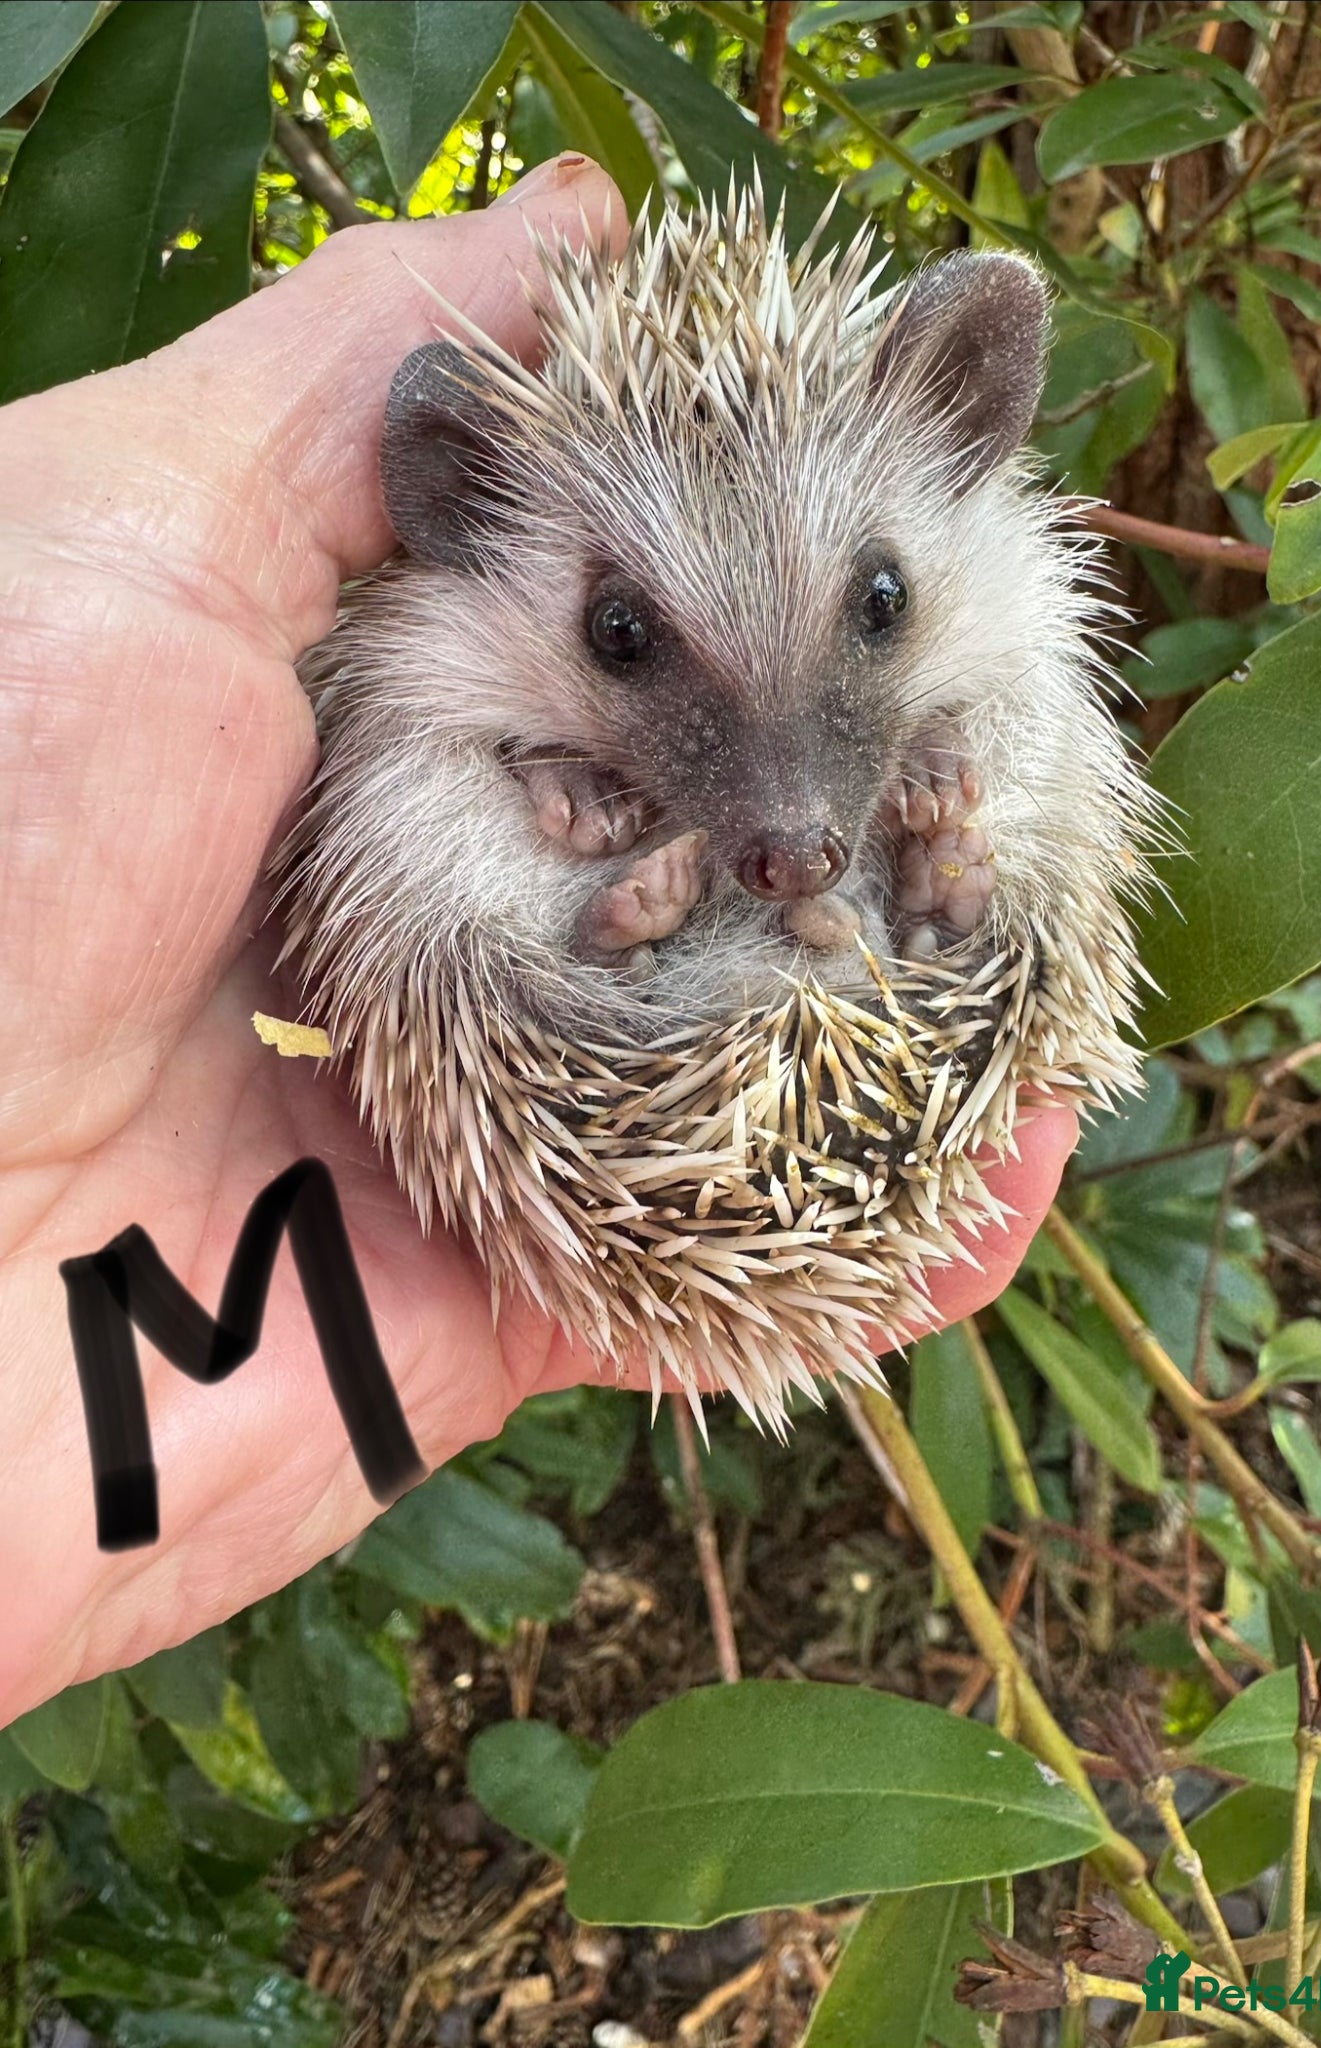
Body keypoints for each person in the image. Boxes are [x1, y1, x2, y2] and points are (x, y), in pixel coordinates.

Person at [0, 155, 1079, 1730]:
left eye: (874, 608)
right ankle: (703, 933)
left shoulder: (996, 612)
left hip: (711, 1000)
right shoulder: (439, 662)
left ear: (975, 420)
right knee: (426, 830)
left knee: (998, 769)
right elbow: (415, 784)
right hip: (573, 1030)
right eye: (630, 640)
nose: (790, 811)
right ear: (459, 504)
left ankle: (760, 916)